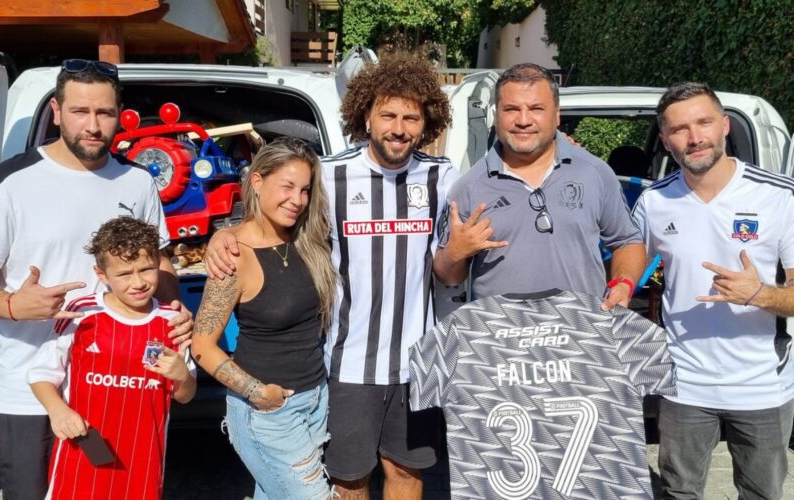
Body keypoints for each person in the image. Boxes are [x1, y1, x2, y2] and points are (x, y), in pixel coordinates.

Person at [205, 53, 458, 500]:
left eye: (411, 117)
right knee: (348, 482)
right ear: (366, 114)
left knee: (407, 475)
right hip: (346, 366)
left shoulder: (443, 177)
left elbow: (452, 259)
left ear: (427, 123)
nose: (399, 127)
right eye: (388, 114)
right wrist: (224, 235)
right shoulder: (331, 176)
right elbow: (276, 220)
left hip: (418, 366)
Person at [0, 59, 192, 500]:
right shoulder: (11, 182)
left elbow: (160, 264)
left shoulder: (137, 181)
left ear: (119, 115)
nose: (93, 125)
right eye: (80, 111)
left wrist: (176, 310)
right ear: (57, 112)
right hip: (29, 386)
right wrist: (11, 306)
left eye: (104, 113)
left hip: (116, 388)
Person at [632, 82, 794, 499]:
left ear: (724, 126)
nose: (695, 137)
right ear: (666, 141)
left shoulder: (778, 197)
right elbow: (626, 267)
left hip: (763, 385)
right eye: (680, 129)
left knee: (762, 494)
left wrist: (759, 294)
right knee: (677, 492)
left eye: (704, 122)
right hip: (683, 384)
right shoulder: (653, 202)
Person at [192, 137, 336, 500]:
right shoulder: (233, 255)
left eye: (304, 190)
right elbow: (201, 347)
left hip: (315, 401)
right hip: (270, 414)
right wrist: (260, 394)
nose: (297, 200)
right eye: (287, 186)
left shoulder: (306, 240)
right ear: (257, 182)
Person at [433, 62, 646, 308]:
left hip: (582, 336)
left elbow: (627, 241)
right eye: (511, 109)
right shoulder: (469, 187)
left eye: (536, 108)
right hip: (502, 341)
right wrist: (454, 253)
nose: (523, 120)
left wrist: (624, 283)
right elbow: (448, 276)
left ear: (557, 114)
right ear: (497, 114)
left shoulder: (594, 173)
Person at [28, 217, 196, 500]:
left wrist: (182, 376)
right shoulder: (82, 313)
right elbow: (40, 373)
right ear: (102, 274)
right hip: (83, 450)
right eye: (124, 274)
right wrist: (58, 410)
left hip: (143, 461)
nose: (139, 282)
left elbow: (186, 395)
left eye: (146, 269)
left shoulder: (171, 320)